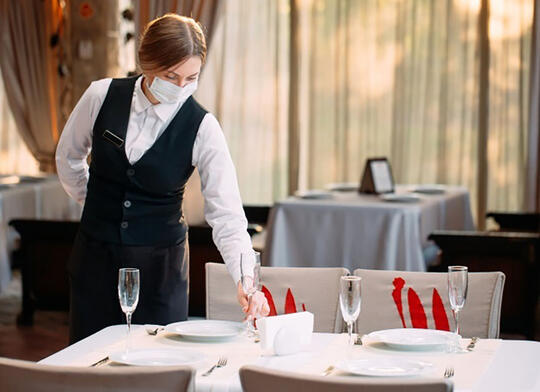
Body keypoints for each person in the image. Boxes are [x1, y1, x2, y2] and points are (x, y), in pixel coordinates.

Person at [56, 14, 269, 343]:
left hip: (161, 272)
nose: (182, 87)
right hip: (95, 261)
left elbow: (226, 214)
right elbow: (68, 157)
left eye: (192, 77)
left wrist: (245, 280)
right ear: (147, 62)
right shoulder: (100, 96)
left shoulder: (203, 128)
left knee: (157, 370)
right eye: (172, 76)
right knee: (90, 366)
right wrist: (94, 202)